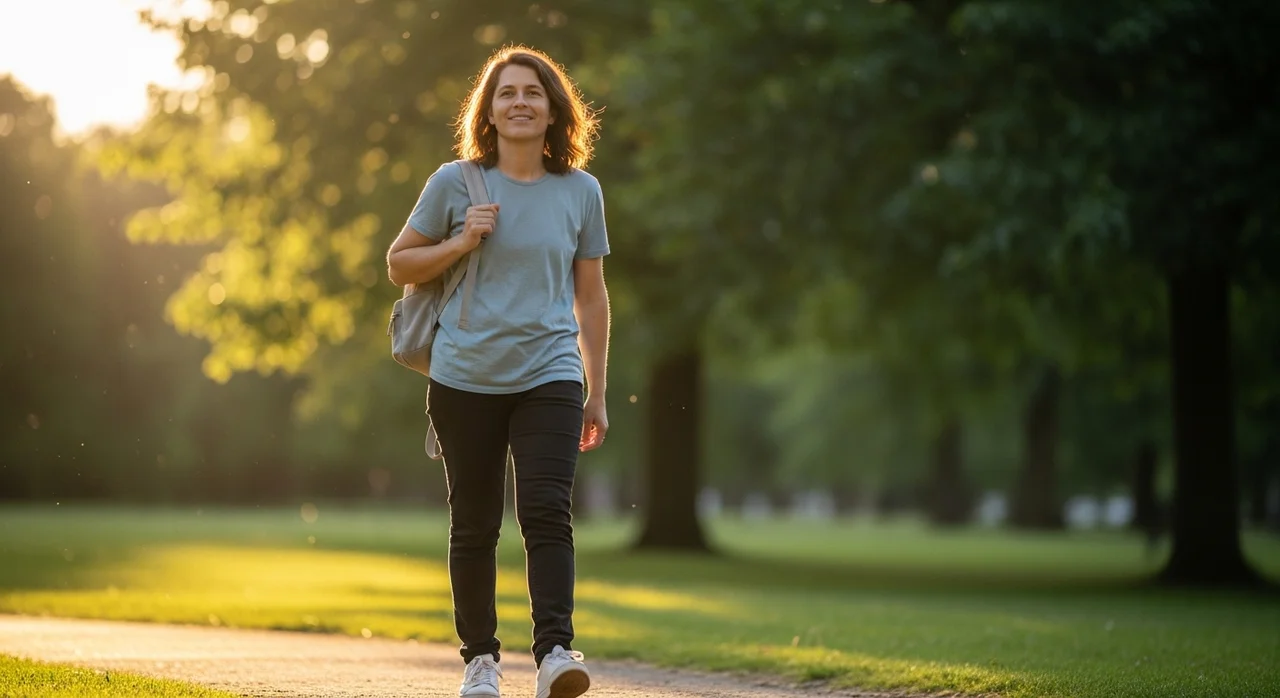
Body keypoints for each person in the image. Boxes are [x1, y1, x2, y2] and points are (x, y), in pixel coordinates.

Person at [385, 45, 610, 698]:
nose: (519, 102)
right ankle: (480, 662)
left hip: (551, 372)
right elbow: (400, 264)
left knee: (546, 511)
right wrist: (459, 241)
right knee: (476, 522)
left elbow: (591, 295)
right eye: (506, 92)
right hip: (465, 377)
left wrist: (596, 390)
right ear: (488, 110)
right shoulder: (455, 183)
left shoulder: (581, 191)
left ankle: (555, 654)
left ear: (552, 110)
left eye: (532, 93)